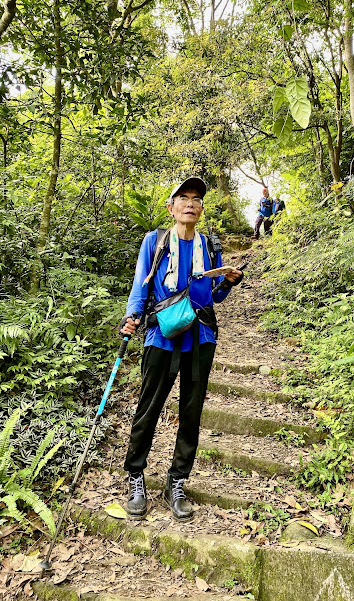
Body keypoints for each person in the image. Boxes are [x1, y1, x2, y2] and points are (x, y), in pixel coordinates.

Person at [119, 176, 243, 522]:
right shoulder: (154, 242)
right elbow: (139, 286)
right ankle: (135, 476)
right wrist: (132, 317)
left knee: (191, 413)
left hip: (201, 337)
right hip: (162, 335)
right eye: (183, 198)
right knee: (149, 407)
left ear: (201, 209)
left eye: (196, 199)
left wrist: (228, 285)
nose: (190, 203)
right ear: (171, 207)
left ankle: (177, 480)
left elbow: (214, 296)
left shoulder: (210, 245)